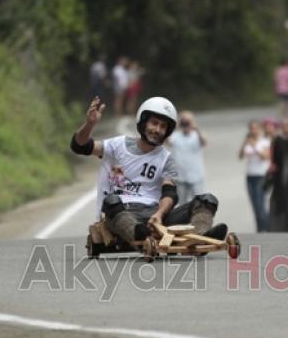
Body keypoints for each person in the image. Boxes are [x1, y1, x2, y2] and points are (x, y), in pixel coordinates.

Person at [70, 96, 227, 250]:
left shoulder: (166, 159)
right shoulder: (117, 145)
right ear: (143, 122)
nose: (157, 130)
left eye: (163, 126)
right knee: (111, 201)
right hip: (121, 212)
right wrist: (89, 124)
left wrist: (159, 214)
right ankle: (140, 235)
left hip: (155, 216)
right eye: (154, 123)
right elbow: (80, 146)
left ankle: (200, 237)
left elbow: (169, 193)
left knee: (207, 200)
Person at [167, 110, 207, 206]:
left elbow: (204, 142)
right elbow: (165, 140)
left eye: (188, 121)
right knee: (181, 205)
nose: (186, 123)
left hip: (196, 177)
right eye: (184, 121)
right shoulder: (175, 136)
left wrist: (195, 128)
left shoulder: (197, 135)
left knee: (199, 204)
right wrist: (176, 125)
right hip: (180, 177)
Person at [239, 120, 271, 232]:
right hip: (250, 175)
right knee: (254, 204)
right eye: (251, 128)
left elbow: (265, 156)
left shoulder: (265, 142)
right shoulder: (248, 142)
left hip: (261, 175)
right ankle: (259, 228)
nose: (253, 131)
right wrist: (245, 143)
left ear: (259, 129)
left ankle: (266, 227)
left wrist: (255, 145)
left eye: (255, 128)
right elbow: (240, 156)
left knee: (260, 203)